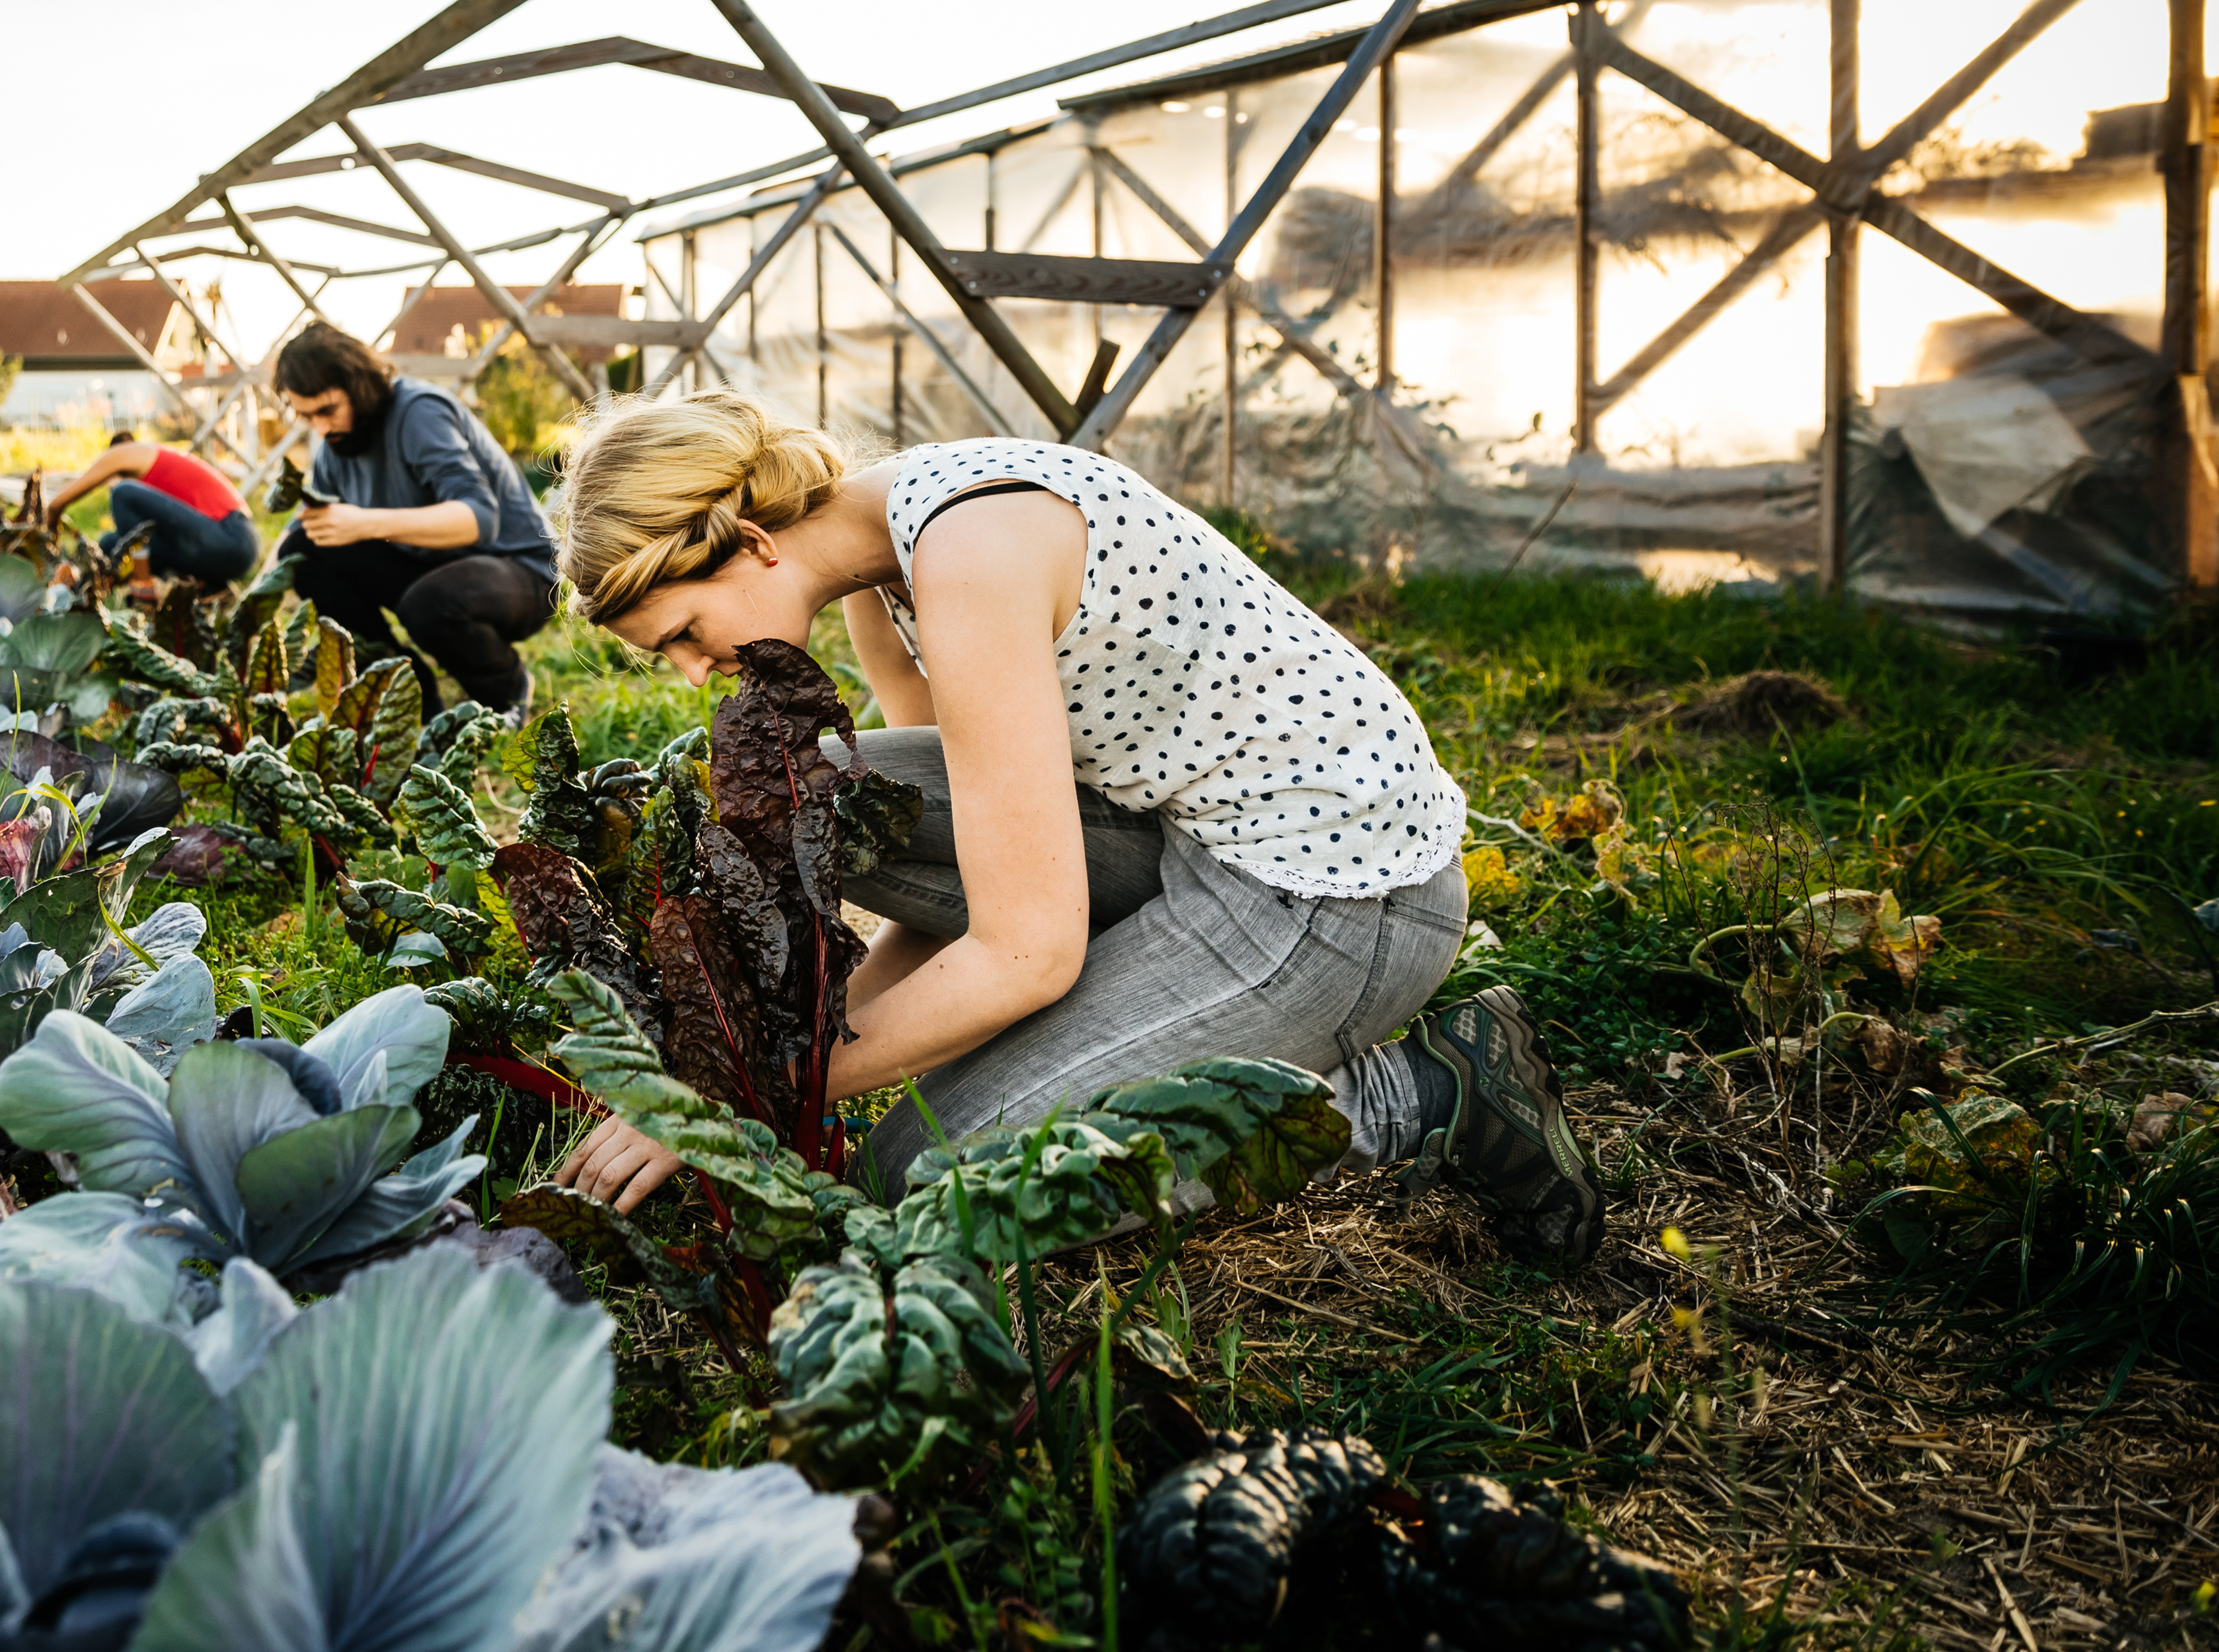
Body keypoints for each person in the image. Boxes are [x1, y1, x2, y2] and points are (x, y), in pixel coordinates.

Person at [546, 393, 1604, 1263]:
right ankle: (1144, 1023)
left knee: (926, 1192)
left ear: (752, 542)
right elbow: (961, 853)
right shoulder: (883, 548)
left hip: (1337, 904)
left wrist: (727, 1089)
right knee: (828, 786)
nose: (696, 673)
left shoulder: (970, 555)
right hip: (1178, 834)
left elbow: (1023, 952)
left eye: (685, 634)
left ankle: (1417, 1096)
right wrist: (787, 1041)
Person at [271, 322, 556, 717]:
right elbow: (300, 529)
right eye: (306, 416)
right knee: (303, 550)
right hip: (434, 566)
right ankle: (407, 687)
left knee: (431, 604)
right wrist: (255, 603)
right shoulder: (335, 444)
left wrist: (366, 523)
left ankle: (506, 693)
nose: (320, 427)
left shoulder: (419, 411)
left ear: (359, 386)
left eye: (327, 410)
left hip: (521, 571)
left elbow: (479, 518)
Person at [40, 431, 260, 586]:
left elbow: (56, 505)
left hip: (232, 536)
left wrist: (46, 547)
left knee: (122, 492)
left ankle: (144, 587)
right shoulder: (153, 472)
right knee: (110, 543)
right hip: (222, 554)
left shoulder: (127, 453)